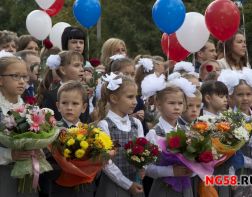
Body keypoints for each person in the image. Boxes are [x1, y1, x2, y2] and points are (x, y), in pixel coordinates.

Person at [39, 81, 96, 197]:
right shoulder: (52, 130)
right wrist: (65, 172)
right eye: (64, 103)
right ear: (58, 106)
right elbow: (45, 160)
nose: (69, 108)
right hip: (60, 188)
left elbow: (98, 160)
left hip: (85, 189)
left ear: (84, 107)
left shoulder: (90, 132)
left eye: (75, 103)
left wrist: (89, 170)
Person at [95, 73, 144, 197]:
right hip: (114, 185)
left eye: (136, 97)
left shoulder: (136, 123)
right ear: (114, 98)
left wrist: (144, 167)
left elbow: (144, 150)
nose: (135, 102)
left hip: (136, 182)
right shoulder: (104, 125)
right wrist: (127, 184)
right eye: (130, 97)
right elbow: (106, 163)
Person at [145, 77, 195, 197]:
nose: (177, 107)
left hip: (185, 187)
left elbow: (197, 160)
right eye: (171, 103)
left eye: (180, 103)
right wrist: (171, 171)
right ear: (159, 103)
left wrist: (192, 170)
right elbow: (147, 168)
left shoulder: (187, 130)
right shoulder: (154, 133)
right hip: (164, 188)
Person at [0, 51, 39, 197]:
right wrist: (10, 154)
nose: (22, 81)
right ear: (0, 80)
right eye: (15, 76)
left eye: (24, 76)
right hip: (3, 175)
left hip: (27, 174)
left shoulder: (30, 109)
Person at [40, 51, 90, 122]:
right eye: (76, 65)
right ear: (63, 70)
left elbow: (86, 121)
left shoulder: (83, 94)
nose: (82, 69)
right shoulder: (51, 96)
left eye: (82, 66)